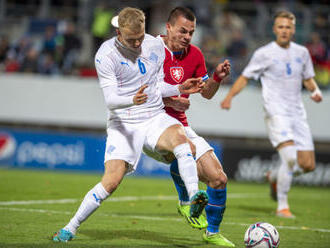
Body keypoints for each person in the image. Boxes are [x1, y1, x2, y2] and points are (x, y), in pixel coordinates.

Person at [53, 7, 208, 242]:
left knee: (180, 138)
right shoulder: (105, 55)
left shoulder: (155, 46)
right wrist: (132, 99)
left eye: (140, 38)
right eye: (131, 40)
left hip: (153, 115)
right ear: (119, 32)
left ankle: (194, 197)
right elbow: (111, 101)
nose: (137, 44)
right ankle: (70, 227)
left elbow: (156, 88)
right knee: (112, 181)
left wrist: (180, 88)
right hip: (123, 122)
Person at [119, 7, 234, 247]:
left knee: (218, 178)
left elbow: (207, 94)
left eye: (191, 32)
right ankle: (186, 198)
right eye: (183, 31)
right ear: (168, 27)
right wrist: (171, 100)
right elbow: (133, 89)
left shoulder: (195, 55)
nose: (187, 36)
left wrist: (216, 78)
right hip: (150, 124)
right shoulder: (148, 48)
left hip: (181, 126)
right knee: (185, 148)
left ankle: (212, 233)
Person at [221, 10, 323, 218]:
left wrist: (315, 90)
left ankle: (274, 176)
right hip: (276, 112)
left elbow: (308, 78)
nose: (284, 30)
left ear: (293, 29)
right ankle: (282, 207)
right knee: (291, 158)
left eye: (288, 27)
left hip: (298, 114)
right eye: (280, 27)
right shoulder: (264, 53)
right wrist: (229, 96)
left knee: (308, 165)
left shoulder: (302, 53)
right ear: (275, 29)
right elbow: (245, 77)